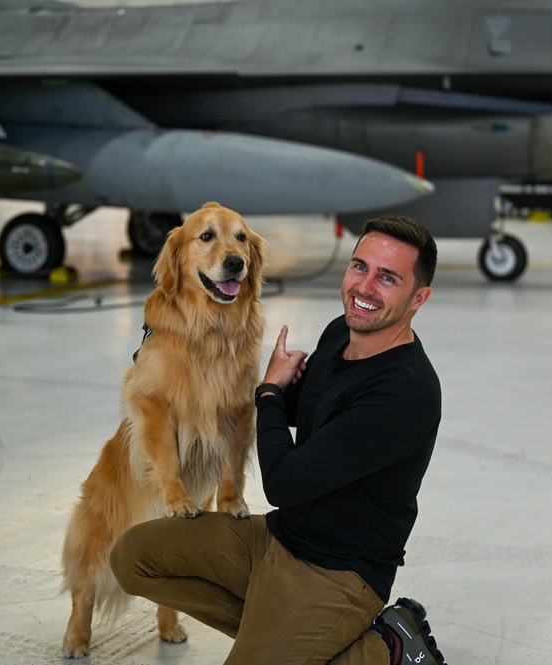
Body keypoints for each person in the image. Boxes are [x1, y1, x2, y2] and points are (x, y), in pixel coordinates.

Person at [110, 214, 447, 665]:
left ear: (418, 297)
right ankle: (285, 639)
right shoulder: (339, 333)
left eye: (388, 278)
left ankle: (388, 647)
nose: (364, 287)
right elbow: (302, 409)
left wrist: (268, 392)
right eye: (360, 266)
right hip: (279, 538)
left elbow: (285, 483)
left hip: (339, 573)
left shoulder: (404, 391)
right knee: (133, 556)